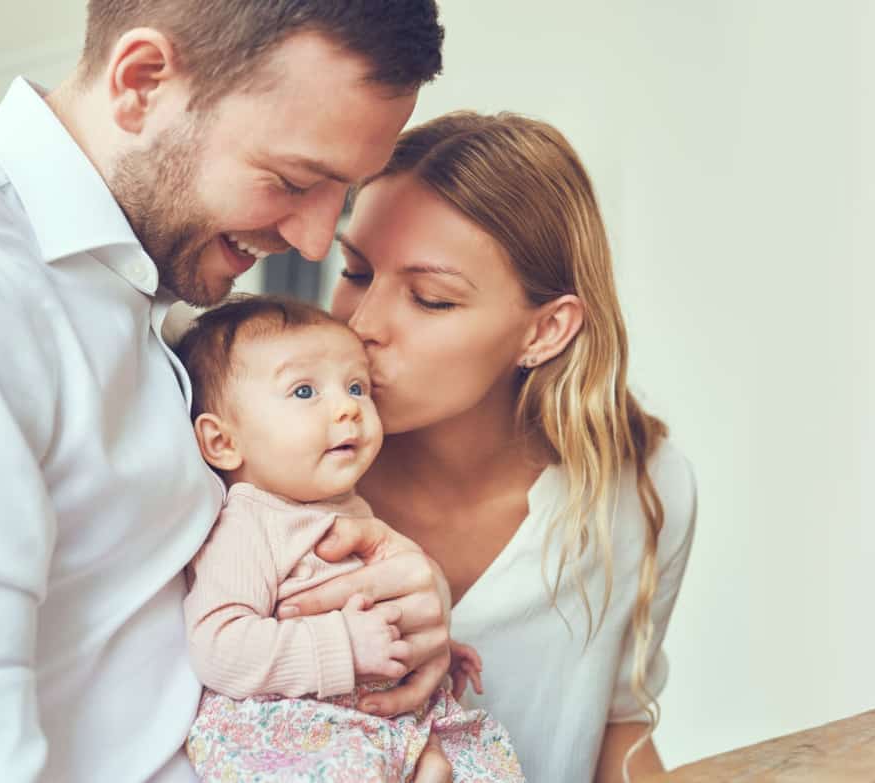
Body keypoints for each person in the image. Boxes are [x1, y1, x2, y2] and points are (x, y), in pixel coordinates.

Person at [0, 4, 451, 781]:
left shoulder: (144, 291)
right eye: (293, 180)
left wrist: (399, 597)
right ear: (142, 84)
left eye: (339, 195)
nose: (315, 240)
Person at [278, 112, 699, 783]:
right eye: (355, 269)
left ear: (547, 329)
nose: (361, 324)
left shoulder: (643, 489)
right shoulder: (273, 475)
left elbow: (616, 729)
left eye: (430, 298)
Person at [174, 295, 524, 783]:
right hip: (296, 735)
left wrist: (421, 655)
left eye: (357, 387)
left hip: (372, 720)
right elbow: (218, 646)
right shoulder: (248, 525)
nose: (347, 409)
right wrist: (342, 644)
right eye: (303, 392)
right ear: (223, 442)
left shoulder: (347, 510)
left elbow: (368, 610)